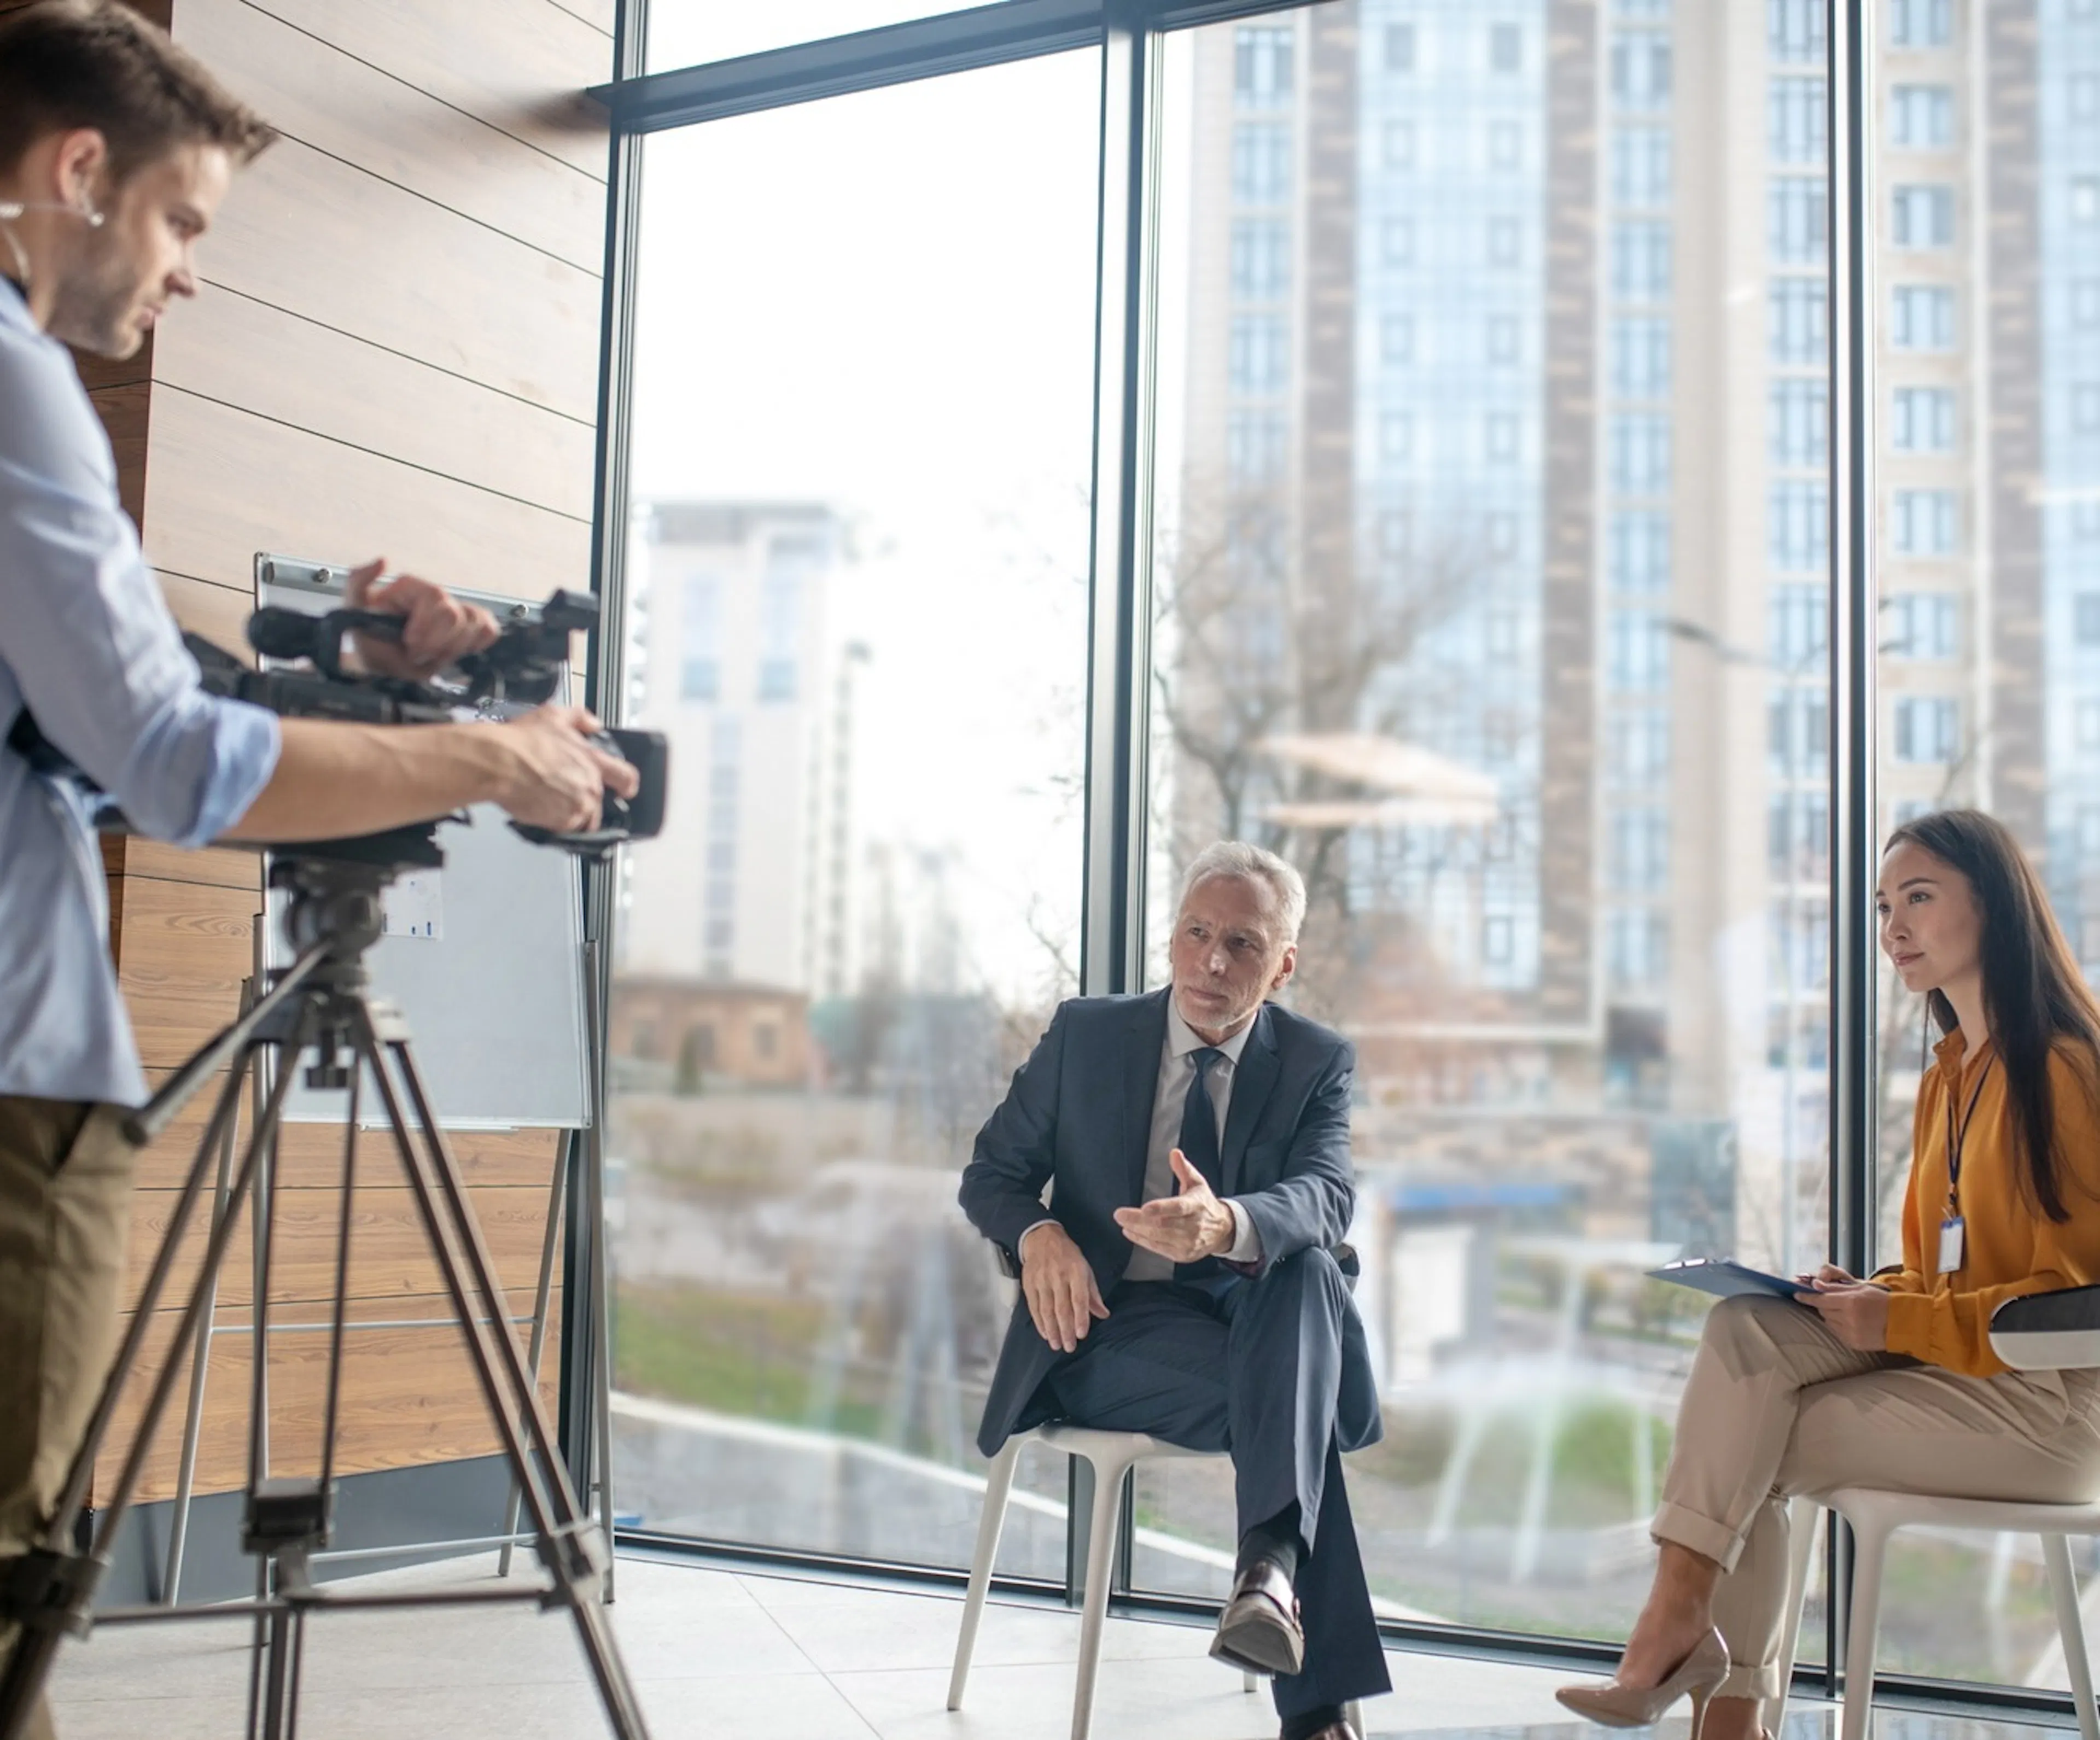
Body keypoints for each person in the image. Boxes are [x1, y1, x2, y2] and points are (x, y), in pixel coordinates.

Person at [0, 7, 636, 1734]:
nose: (191, 272)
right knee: (5, 1598)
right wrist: (487, 753)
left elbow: (80, 714)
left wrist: (361, 684)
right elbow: (170, 759)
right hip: (12, 1094)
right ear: (75, 172)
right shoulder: (20, 394)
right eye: (185, 220)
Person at [1556, 809, 2100, 1740]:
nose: (1892, 927)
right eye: (1886, 905)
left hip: (2053, 1409)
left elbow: (2072, 1301)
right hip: (1969, 1378)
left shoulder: (2062, 1068)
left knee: (1749, 1435)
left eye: (1919, 899)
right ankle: (1704, 1667)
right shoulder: (1950, 1074)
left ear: (1996, 905)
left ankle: (1709, 1682)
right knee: (1746, 1331)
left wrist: (1902, 1323)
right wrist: (1875, 1293)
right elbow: (1955, 1267)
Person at [959, 842, 1385, 1740]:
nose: (1213, 961)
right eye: (1196, 933)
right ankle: (1302, 1671)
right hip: (1107, 1331)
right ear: (1172, 937)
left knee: (1304, 1261)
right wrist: (1039, 1235)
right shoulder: (1089, 1033)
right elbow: (990, 1173)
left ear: (1284, 963)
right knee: (1293, 1412)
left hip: (1255, 1317)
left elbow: (1326, 1195)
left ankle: (1272, 1576)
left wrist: (1226, 1223)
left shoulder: (1316, 1061)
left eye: (1241, 941)